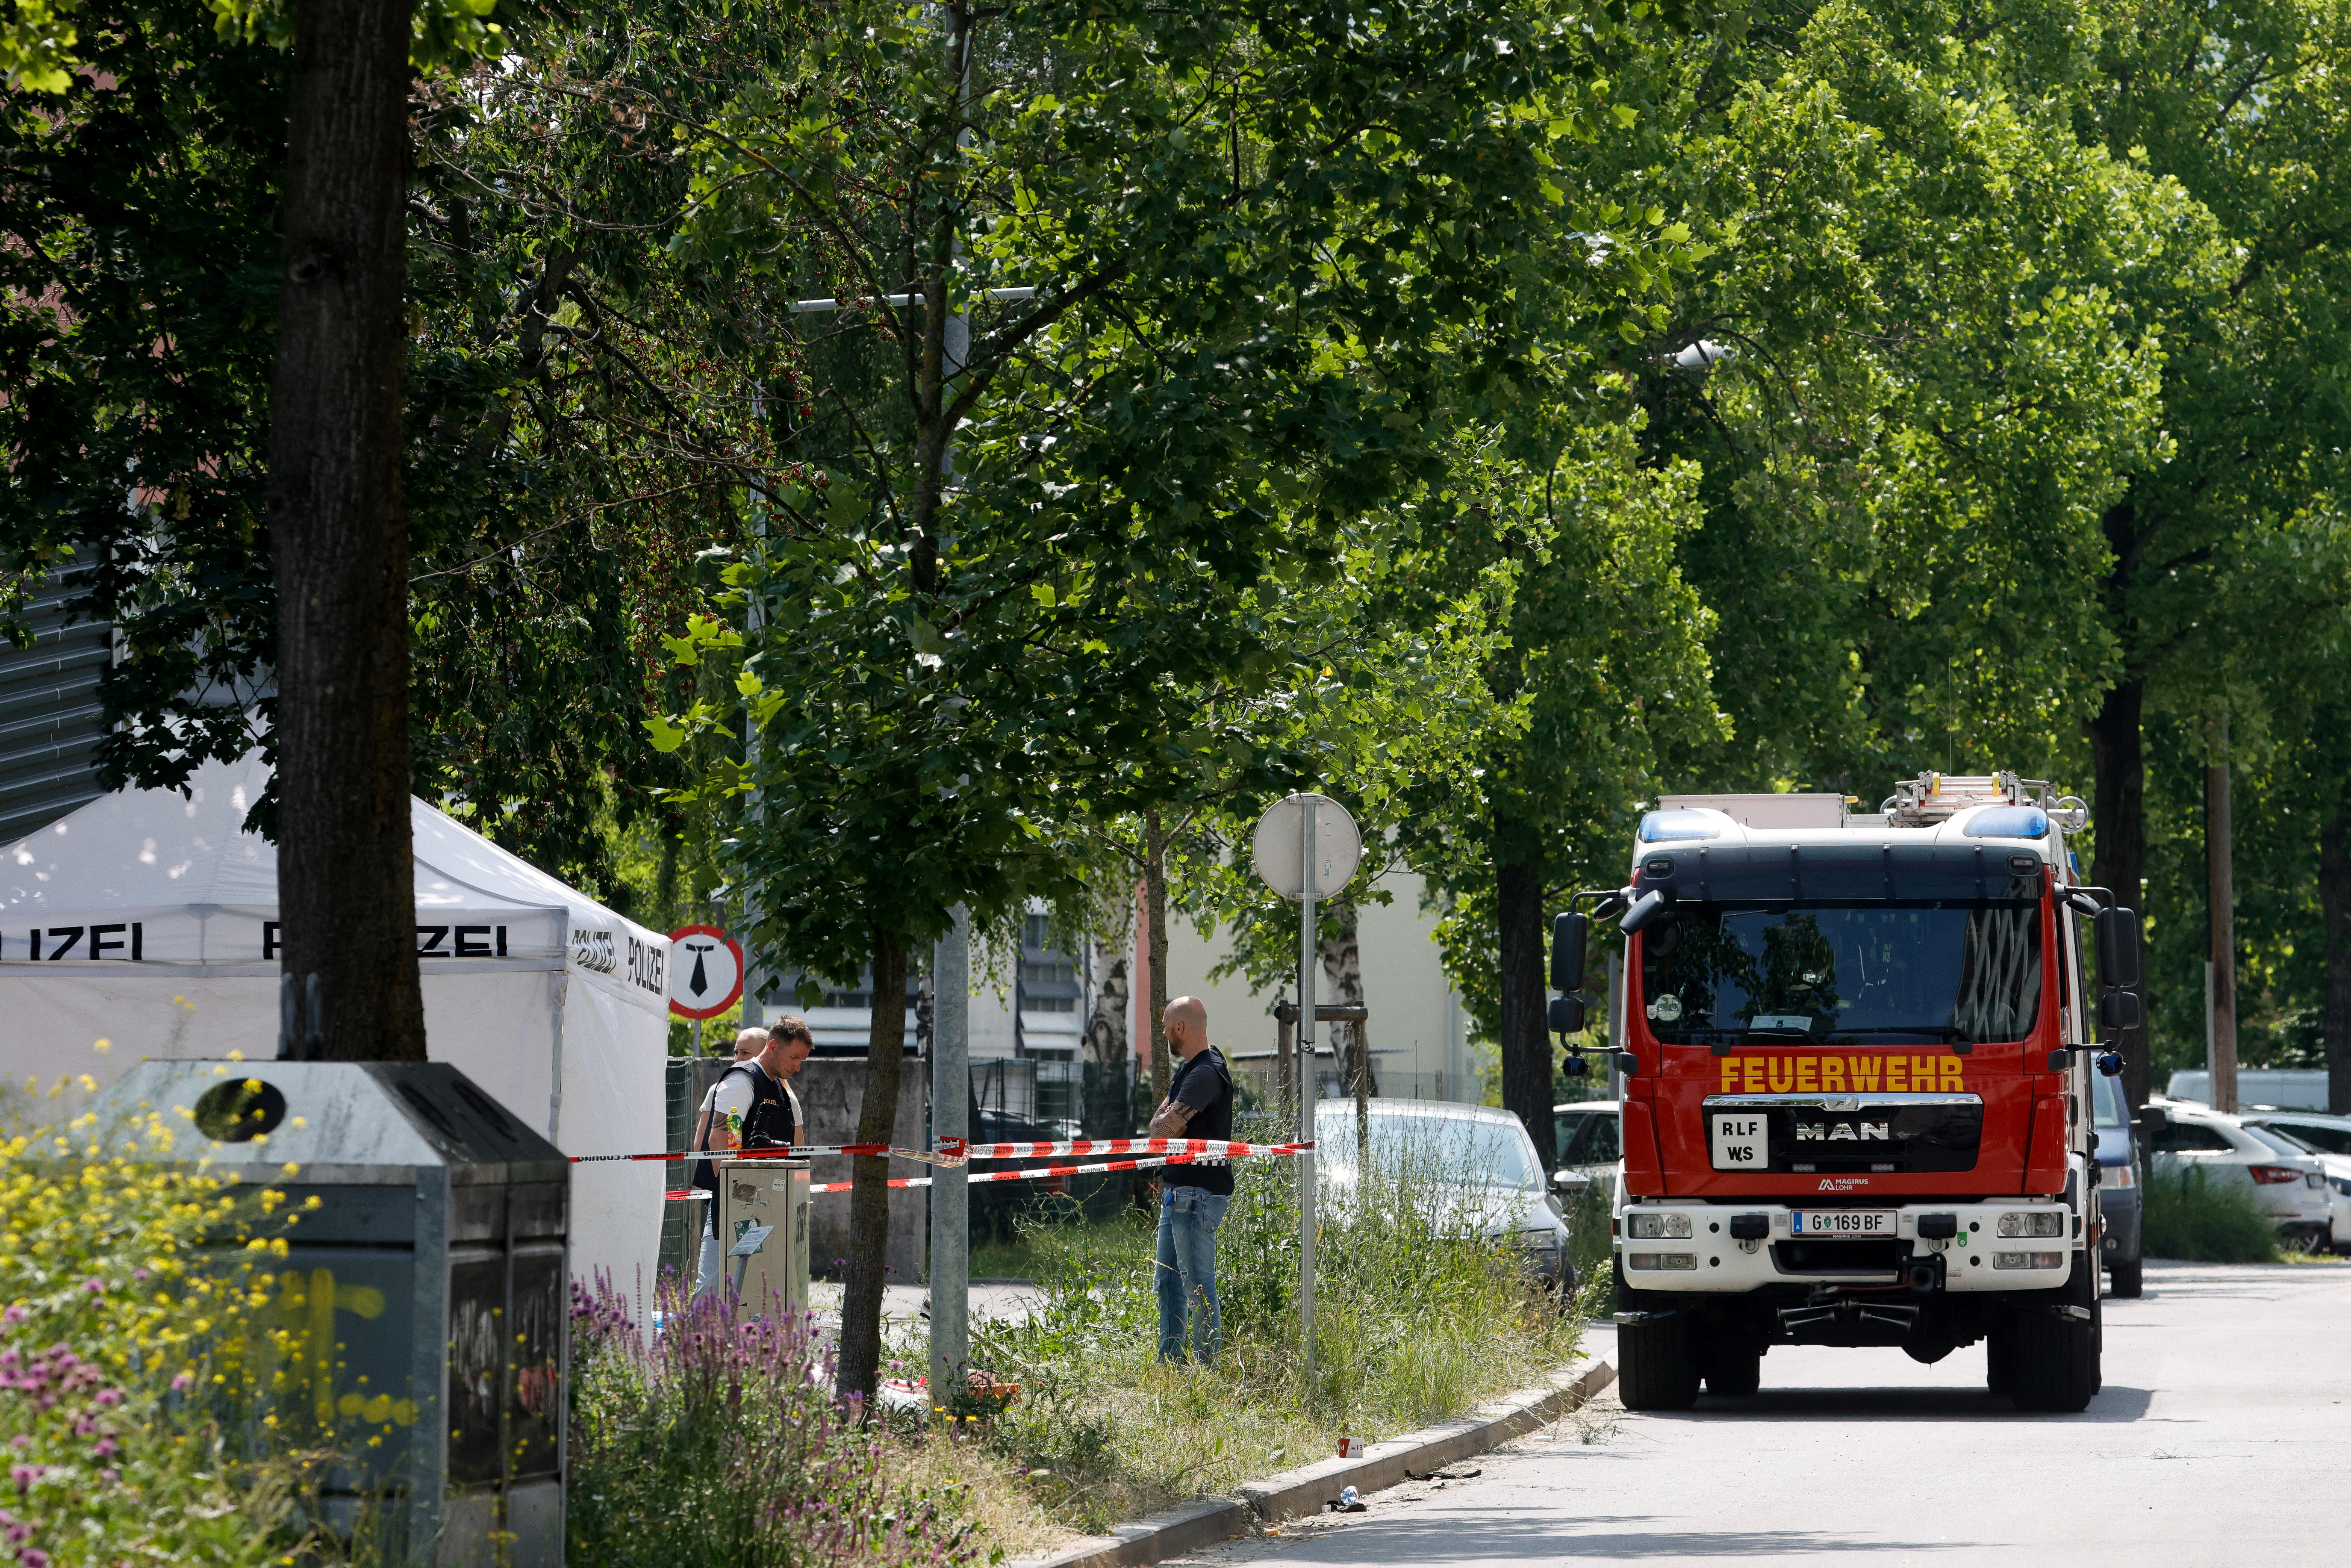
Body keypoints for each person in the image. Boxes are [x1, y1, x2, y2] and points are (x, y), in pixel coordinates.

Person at [693, 1018, 814, 1298]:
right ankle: (697, 1341)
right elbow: (719, 1140)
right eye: (794, 1058)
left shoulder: (780, 1090)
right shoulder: (742, 1081)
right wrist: (739, 1198)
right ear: (772, 1046)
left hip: (765, 1203)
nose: (798, 1067)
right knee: (712, 1290)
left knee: (753, 1293)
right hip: (738, 1204)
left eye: (802, 1060)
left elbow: (797, 1151)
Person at [1150, 995, 1232, 1364]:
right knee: (1168, 1284)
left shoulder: (1205, 1072)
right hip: (1177, 1194)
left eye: (1166, 1024)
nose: (1164, 1031)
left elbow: (1164, 1127)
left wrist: (1165, 1123)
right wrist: (1163, 1125)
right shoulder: (1188, 1071)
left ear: (1180, 1028)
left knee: (1197, 1284)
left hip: (1197, 1197)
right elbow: (1161, 1130)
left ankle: (1207, 1370)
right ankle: (1172, 1366)